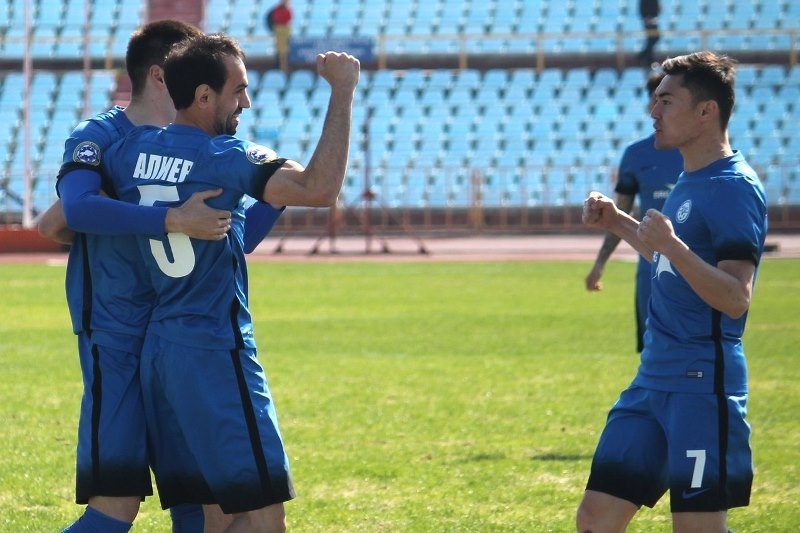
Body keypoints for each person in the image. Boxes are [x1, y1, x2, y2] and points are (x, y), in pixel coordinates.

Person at [89, 33, 359, 532]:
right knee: (263, 518)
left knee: (212, 517)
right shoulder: (222, 155)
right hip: (215, 351)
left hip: (160, 354)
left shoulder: (128, 152)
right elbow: (320, 188)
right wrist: (342, 91)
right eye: (238, 90)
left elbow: (71, 212)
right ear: (203, 96)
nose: (246, 103)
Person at [37, 20, 283, 533]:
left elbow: (229, 238)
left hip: (176, 345)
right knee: (115, 503)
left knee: (199, 500)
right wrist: (169, 219)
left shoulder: (201, 151)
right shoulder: (101, 136)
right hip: (116, 334)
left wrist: (272, 194)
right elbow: (69, 214)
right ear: (160, 75)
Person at [577, 51, 767, 532]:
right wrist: (619, 222)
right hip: (652, 381)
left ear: (706, 111)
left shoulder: (734, 187)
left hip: (701, 387)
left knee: (697, 527)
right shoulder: (690, 177)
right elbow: (669, 262)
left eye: (666, 101)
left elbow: (735, 297)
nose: (653, 112)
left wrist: (674, 247)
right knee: (596, 519)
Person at [584, 71, 683, 353]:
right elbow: (619, 214)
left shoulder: (703, 156)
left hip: (697, 264)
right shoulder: (636, 154)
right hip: (650, 267)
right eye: (655, 100)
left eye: (667, 101)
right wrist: (600, 264)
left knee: (694, 349)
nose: (658, 109)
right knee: (652, 350)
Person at [265, 0, 293, 72]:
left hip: (285, 31)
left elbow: (289, 18)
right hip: (280, 31)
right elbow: (278, 18)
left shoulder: (287, 9)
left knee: (286, 50)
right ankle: (281, 66)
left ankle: (284, 66)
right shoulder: (278, 9)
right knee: (281, 51)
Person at [637, 0, 661, 67]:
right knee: (652, 39)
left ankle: (643, 56)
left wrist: (658, 11)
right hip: (648, 20)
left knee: (654, 38)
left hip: (653, 19)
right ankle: (648, 60)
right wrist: (646, 17)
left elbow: (656, 7)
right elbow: (642, 8)